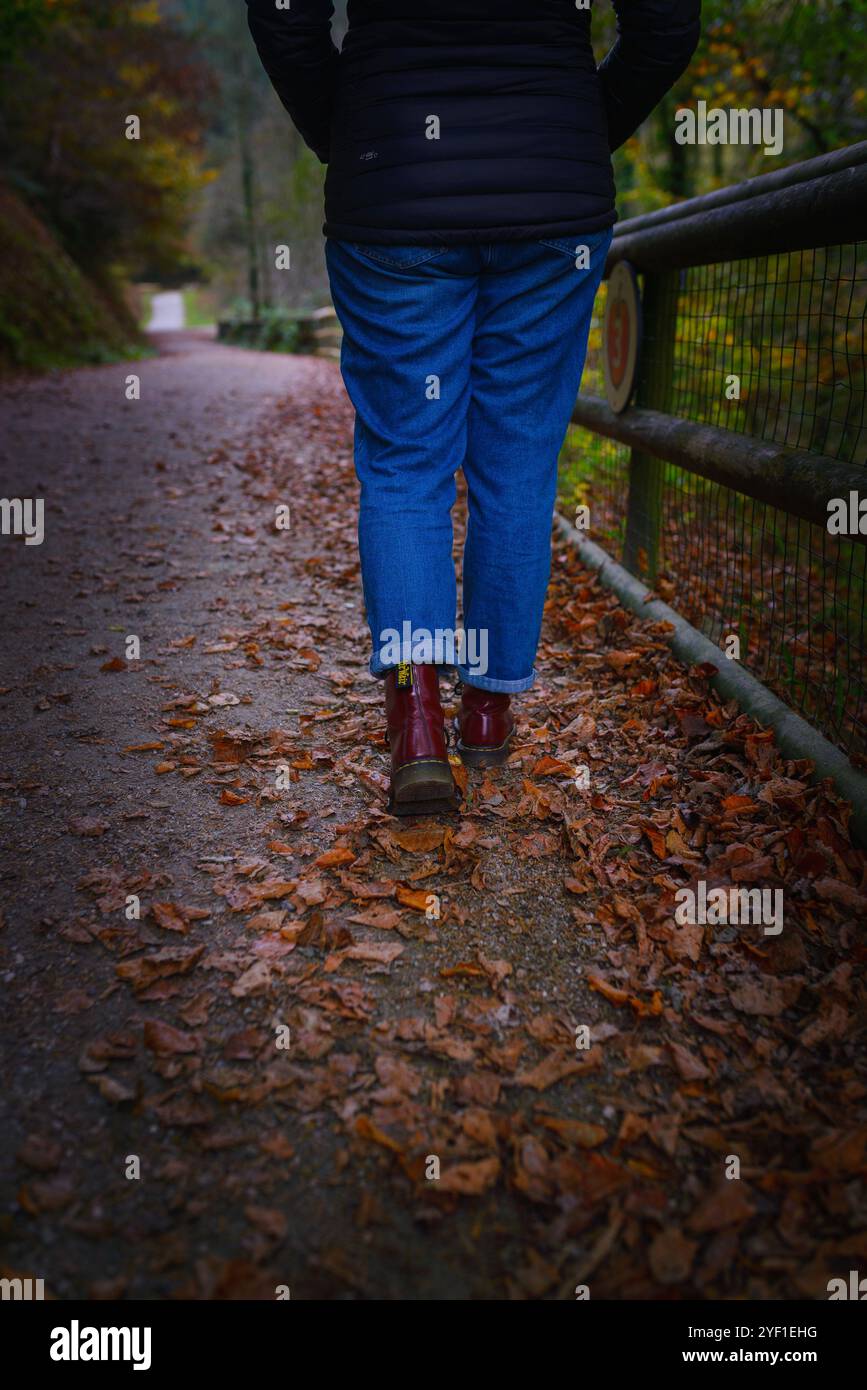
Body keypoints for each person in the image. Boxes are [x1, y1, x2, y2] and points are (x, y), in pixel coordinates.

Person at [246, 0, 701, 815]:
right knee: (518, 459)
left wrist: (349, 133)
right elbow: (664, 24)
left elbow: (285, 18)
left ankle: (416, 726)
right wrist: (573, 128)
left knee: (405, 465)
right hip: (551, 198)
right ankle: (486, 714)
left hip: (391, 193)